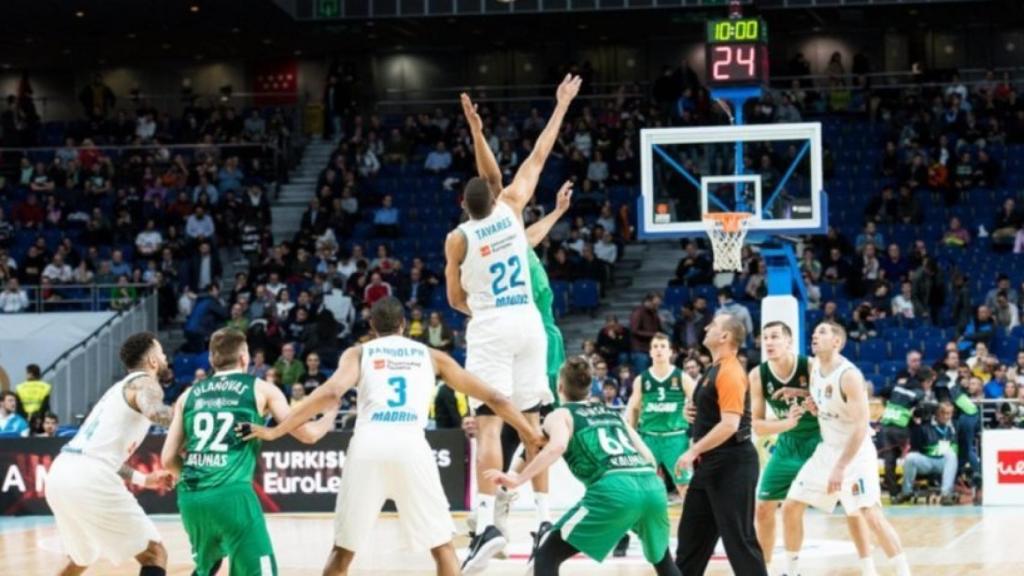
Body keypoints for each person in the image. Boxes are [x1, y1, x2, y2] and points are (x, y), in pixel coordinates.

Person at [243, 298, 542, 576]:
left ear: (372, 327)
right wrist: (529, 432)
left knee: (343, 550)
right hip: (411, 446)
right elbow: (493, 396)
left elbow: (331, 392)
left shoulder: (359, 352)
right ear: (403, 326)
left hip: (368, 446)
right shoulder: (432, 356)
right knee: (442, 547)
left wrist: (275, 430)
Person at [446, 74, 580, 572]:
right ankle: (545, 522)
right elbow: (539, 155)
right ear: (496, 193)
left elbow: (455, 298)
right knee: (534, 424)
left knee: (486, 429)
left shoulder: (457, 238)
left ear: (463, 206)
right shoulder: (512, 210)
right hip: (529, 323)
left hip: (492, 324)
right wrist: (562, 103)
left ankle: (485, 529)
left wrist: (479, 307)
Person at [160, 328, 337, 576]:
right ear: (245, 358)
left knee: (206, 569)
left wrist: (194, 480)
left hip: (190, 498)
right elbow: (309, 434)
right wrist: (331, 414)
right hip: (232, 494)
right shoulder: (261, 389)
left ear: (211, 359)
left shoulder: (187, 395)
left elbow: (168, 459)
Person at [486, 357, 681, 576]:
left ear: (559, 386)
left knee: (546, 555)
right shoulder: (612, 412)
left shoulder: (560, 415)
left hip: (614, 489)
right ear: (589, 387)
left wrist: (517, 480)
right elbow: (648, 456)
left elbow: (556, 446)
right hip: (651, 486)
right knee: (663, 562)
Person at [785, 321, 911, 576]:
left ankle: (903, 572)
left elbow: (860, 426)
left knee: (869, 515)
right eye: (814, 332)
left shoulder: (850, 376)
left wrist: (841, 467)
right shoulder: (815, 368)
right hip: (827, 450)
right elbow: (827, 403)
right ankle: (791, 571)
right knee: (791, 506)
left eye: (822, 332)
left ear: (837, 342)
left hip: (855, 454)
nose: (815, 336)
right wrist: (811, 403)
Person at [45, 332, 176, 576]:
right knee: (154, 554)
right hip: (88, 476)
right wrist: (192, 415)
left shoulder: (115, 391)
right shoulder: (145, 382)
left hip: (61, 472)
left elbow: (100, 455)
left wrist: (143, 479)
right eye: (161, 352)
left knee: (80, 558)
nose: (165, 356)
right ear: (153, 361)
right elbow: (157, 413)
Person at [674, 314, 767, 576]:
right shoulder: (713, 370)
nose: (706, 327)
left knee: (739, 541)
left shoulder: (731, 370)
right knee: (691, 542)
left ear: (725, 336)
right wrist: (692, 412)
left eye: (713, 325)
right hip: (710, 467)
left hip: (733, 464)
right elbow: (712, 411)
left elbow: (729, 424)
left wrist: (693, 450)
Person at [748, 321, 820, 574]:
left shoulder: (810, 366)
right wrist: (786, 423)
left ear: (789, 341)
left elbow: (831, 408)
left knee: (794, 508)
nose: (768, 342)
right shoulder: (758, 374)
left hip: (819, 444)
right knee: (763, 508)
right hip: (788, 444)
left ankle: (793, 570)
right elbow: (757, 424)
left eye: (775, 337)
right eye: (765, 337)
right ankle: (762, 570)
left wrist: (811, 403)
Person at [625, 333, 695, 504]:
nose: (659, 350)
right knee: (643, 486)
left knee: (684, 485)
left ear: (670, 351)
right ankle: (645, 526)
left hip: (676, 438)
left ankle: (696, 526)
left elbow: (698, 408)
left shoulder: (682, 378)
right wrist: (631, 437)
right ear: (650, 352)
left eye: (663, 346)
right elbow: (633, 409)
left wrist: (695, 436)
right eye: (655, 347)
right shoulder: (642, 379)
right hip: (649, 438)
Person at [893, 402, 959, 506]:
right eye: (943, 413)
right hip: (927, 460)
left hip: (943, 462)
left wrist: (939, 449)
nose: (946, 416)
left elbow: (955, 447)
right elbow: (919, 447)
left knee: (951, 455)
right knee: (910, 458)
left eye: (949, 413)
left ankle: (946, 494)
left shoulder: (953, 426)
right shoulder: (925, 426)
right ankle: (906, 492)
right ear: (937, 413)